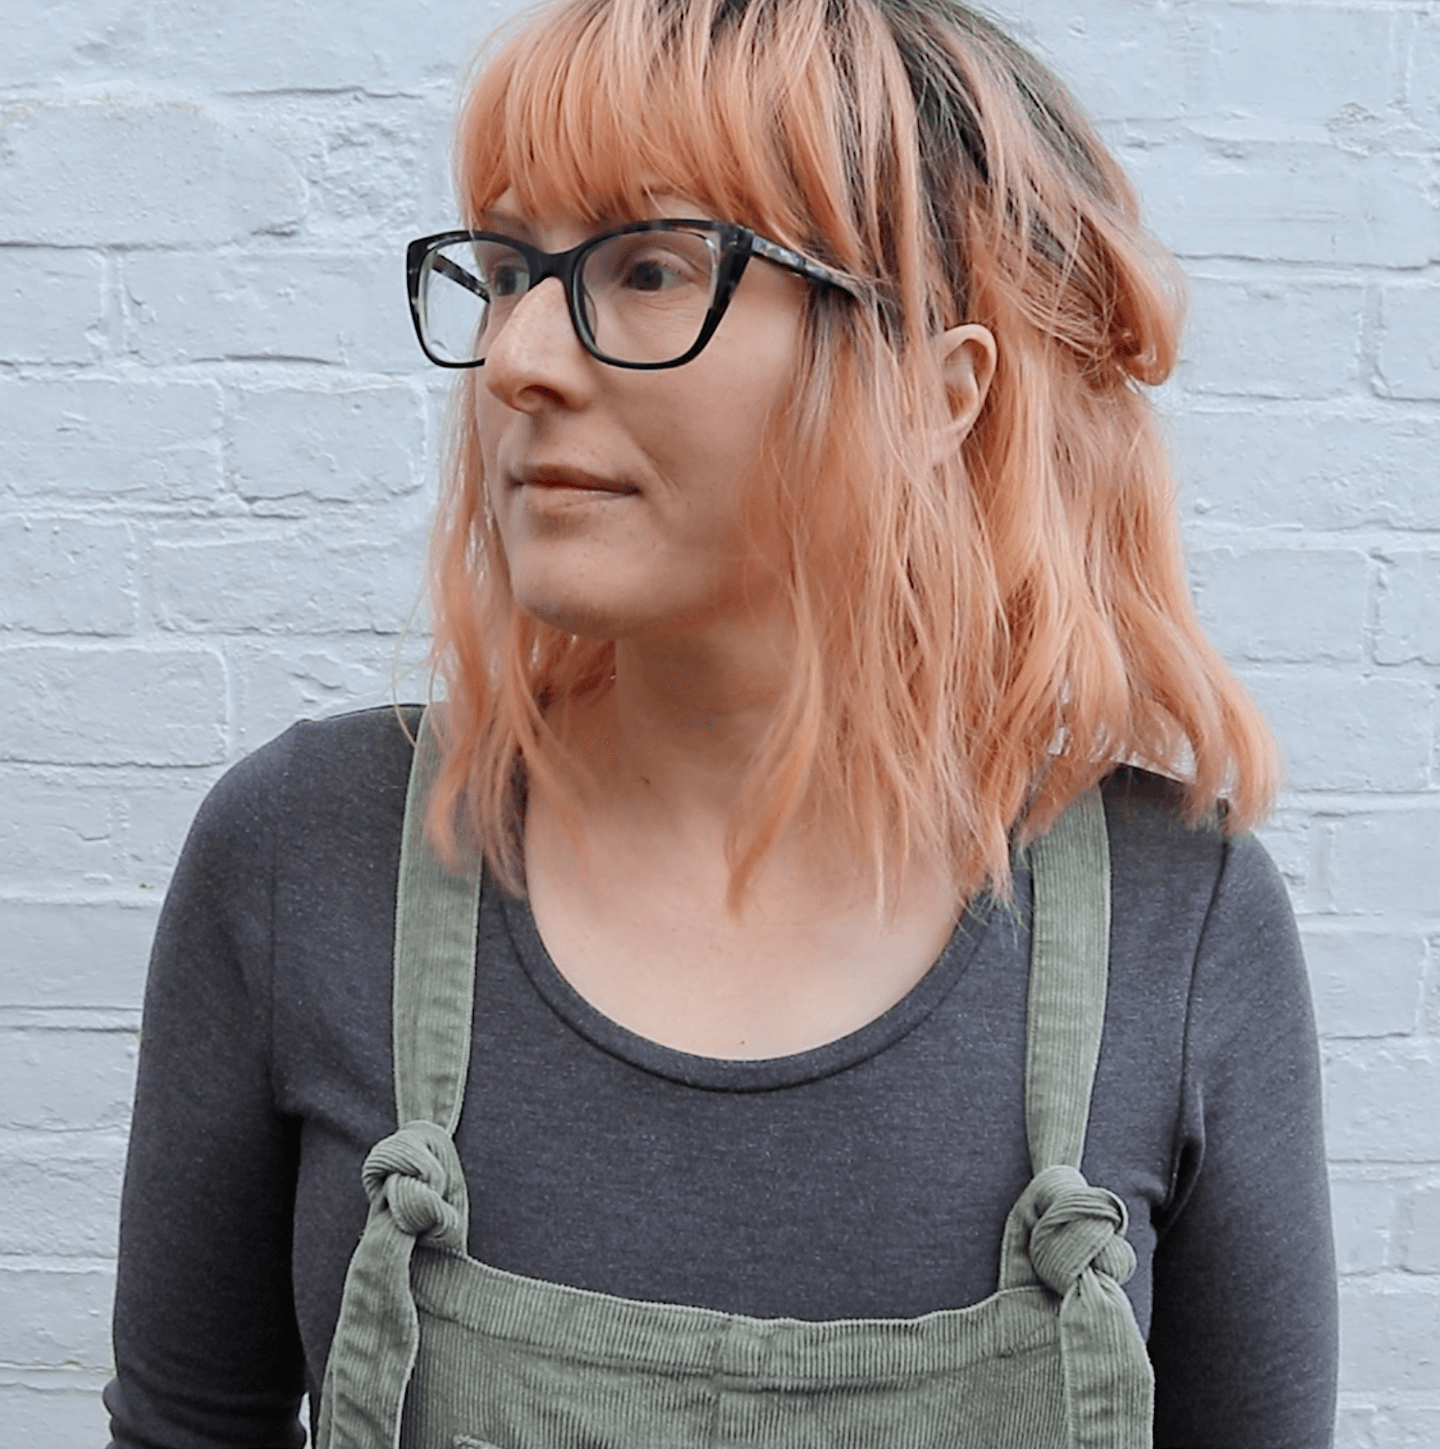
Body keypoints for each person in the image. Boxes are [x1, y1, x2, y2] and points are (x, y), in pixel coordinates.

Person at [105, 0, 1339, 1444]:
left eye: (645, 268)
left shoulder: (1177, 933)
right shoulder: (303, 861)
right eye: (509, 271)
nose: (517, 361)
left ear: (936, 390)